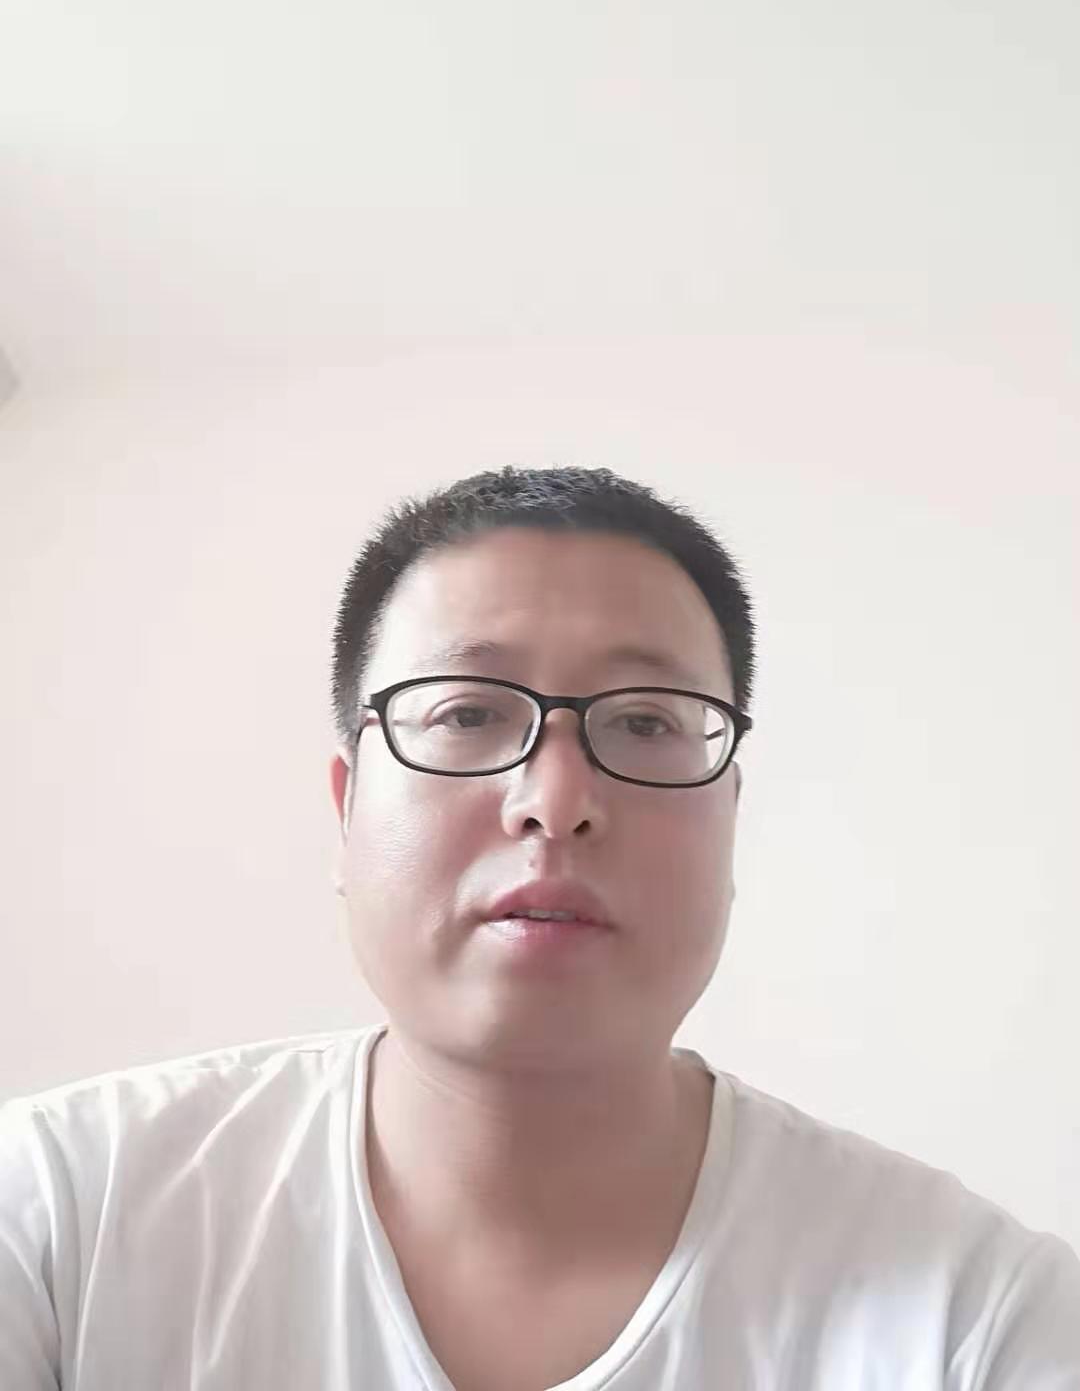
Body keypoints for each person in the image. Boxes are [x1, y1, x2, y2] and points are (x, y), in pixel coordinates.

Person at [1, 463, 1077, 1390]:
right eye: (468, 712)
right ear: (347, 808)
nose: (555, 801)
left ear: (731, 817)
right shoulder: (56, 1220)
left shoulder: (977, 1319)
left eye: (646, 721)